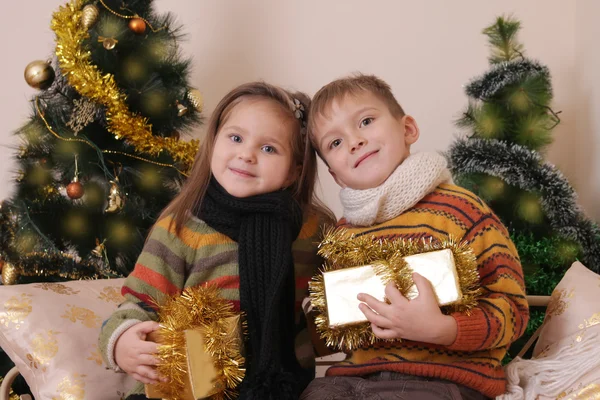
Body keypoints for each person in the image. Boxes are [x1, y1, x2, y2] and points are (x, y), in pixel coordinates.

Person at [99, 81, 334, 400]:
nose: (246, 155)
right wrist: (123, 340)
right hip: (188, 389)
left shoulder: (311, 230)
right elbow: (140, 303)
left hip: (285, 387)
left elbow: (333, 300)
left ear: (293, 172)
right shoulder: (182, 227)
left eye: (269, 148)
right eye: (236, 138)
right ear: (213, 144)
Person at [301, 74, 529, 400]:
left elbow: (514, 311)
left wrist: (444, 330)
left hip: (444, 379)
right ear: (335, 174)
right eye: (335, 143)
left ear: (408, 130)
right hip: (355, 377)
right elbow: (339, 327)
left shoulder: (462, 210)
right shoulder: (342, 234)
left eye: (365, 121)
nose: (354, 141)